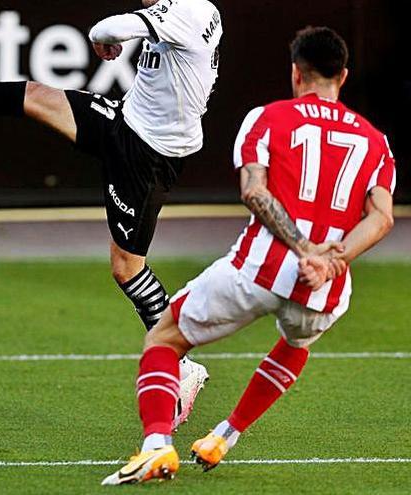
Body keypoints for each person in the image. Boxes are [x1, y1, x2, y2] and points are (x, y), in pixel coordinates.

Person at [0, 0, 221, 424]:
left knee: (126, 267)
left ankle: (181, 362)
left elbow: (108, 27)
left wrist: (100, 40)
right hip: (125, 123)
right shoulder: (181, 12)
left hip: (148, 155)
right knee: (32, 96)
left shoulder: (194, 12)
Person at [102, 26, 396, 485]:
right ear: (343, 75)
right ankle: (226, 434)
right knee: (297, 343)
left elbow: (253, 191)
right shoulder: (376, 141)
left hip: (259, 270)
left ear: (296, 73)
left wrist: (300, 249)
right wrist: (331, 260)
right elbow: (381, 218)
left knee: (164, 339)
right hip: (325, 291)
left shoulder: (269, 118)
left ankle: (157, 446)